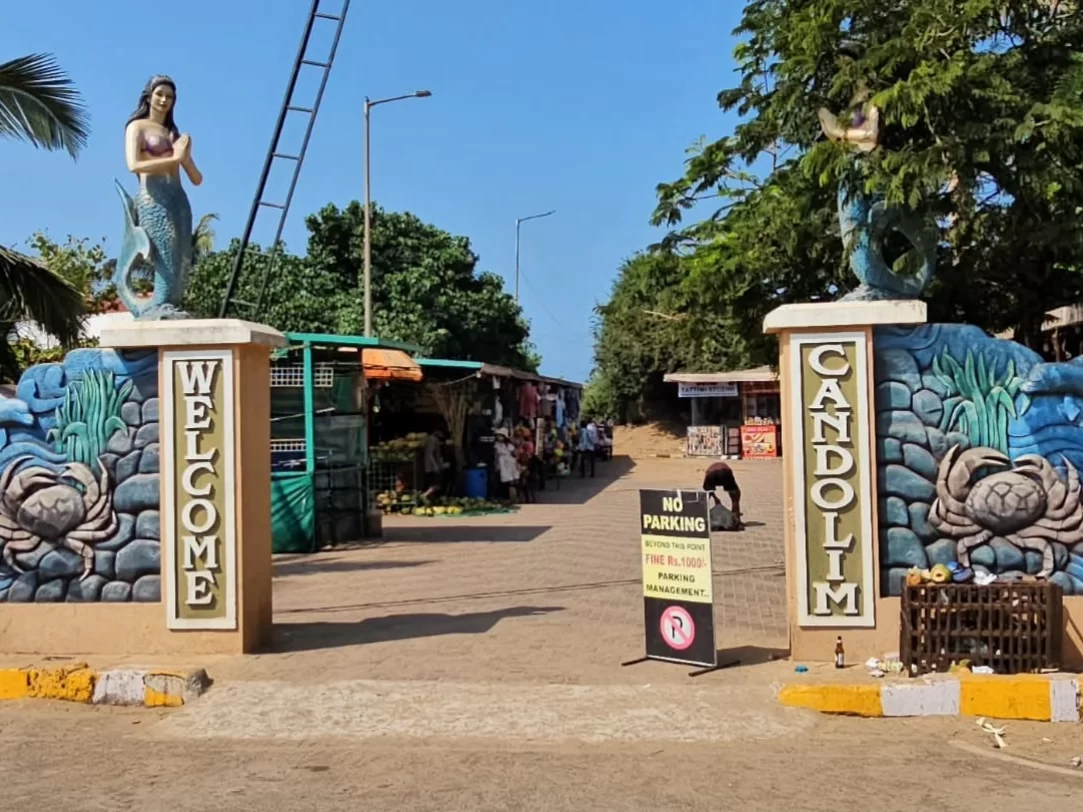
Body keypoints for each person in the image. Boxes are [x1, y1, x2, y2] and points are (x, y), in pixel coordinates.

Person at [118, 75, 202, 319]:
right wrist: (174, 159)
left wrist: (185, 157)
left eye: (170, 97)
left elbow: (196, 179)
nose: (164, 100)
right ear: (149, 96)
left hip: (178, 197)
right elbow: (134, 165)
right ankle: (158, 306)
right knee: (165, 250)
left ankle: (172, 304)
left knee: (182, 254)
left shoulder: (174, 134)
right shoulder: (137, 127)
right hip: (153, 198)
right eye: (160, 95)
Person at [702, 461, 743, 529]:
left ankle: (702, 518)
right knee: (735, 497)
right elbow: (733, 491)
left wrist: (715, 498)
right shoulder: (726, 469)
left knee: (706, 497)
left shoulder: (709, 471)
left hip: (711, 473)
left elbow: (708, 490)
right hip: (725, 472)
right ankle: (736, 519)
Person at [494, 429, 519, 502]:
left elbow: (515, 454)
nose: (499, 437)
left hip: (509, 463)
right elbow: (496, 455)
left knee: (510, 479)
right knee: (502, 479)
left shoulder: (509, 445)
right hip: (501, 463)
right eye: (498, 436)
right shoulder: (496, 445)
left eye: (501, 436)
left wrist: (516, 462)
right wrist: (496, 464)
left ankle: (511, 496)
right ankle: (503, 496)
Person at [420, 430, 445, 503]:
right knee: (437, 484)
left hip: (428, 466)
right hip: (432, 467)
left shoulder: (428, 439)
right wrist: (435, 466)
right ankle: (424, 495)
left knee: (432, 484)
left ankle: (431, 500)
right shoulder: (434, 440)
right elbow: (430, 454)